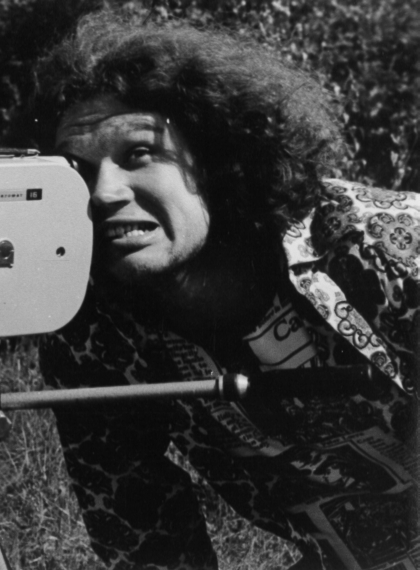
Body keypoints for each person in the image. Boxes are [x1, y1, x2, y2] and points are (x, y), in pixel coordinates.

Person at [32, 9, 419, 570]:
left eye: (138, 154)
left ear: (214, 158)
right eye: (78, 170)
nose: (103, 192)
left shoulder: (383, 249)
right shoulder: (90, 331)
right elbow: (142, 529)